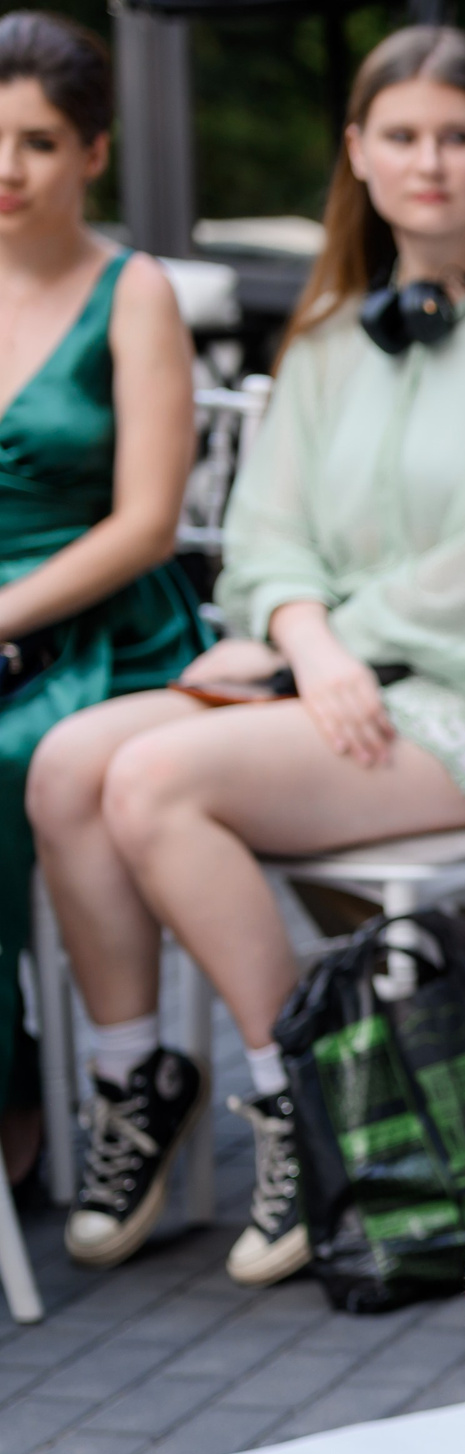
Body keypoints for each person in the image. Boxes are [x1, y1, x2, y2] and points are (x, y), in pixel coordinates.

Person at [29, 26, 465, 1286]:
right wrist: (308, 638)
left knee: (154, 779)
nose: (429, 162)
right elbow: (265, 538)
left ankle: (303, 1102)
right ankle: (133, 1083)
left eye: (457, 137)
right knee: (68, 764)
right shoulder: (331, 333)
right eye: (401, 136)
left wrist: (332, 647)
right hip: (332, 678)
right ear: (357, 153)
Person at [0, 14, 207, 1198]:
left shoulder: (133, 291)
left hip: (99, 621)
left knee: (13, 755)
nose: (7, 168)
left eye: (37, 142)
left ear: (92, 152)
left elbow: (147, 523)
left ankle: (68, 1085)